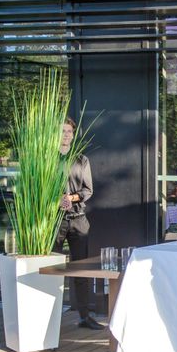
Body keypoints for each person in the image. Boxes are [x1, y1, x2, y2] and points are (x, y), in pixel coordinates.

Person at [54, 118, 103, 330]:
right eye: (62, 131)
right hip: (54, 221)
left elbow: (88, 190)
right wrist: (56, 200)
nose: (66, 135)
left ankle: (84, 316)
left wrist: (71, 198)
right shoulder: (47, 159)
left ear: (73, 135)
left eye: (69, 131)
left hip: (78, 219)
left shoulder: (81, 159)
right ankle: (51, 316)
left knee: (81, 268)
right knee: (51, 268)